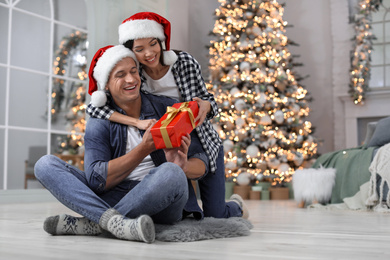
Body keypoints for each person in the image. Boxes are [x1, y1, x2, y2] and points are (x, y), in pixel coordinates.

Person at [34, 45, 211, 244]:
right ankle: (115, 222)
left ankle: (94, 222)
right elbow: (96, 180)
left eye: (134, 71)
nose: (130, 79)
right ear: (106, 85)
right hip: (114, 195)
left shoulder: (165, 107)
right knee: (45, 165)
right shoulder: (100, 121)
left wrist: (183, 166)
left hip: (162, 198)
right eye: (120, 75)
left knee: (171, 172)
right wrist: (143, 148)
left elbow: (202, 161)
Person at [87, 12, 248, 219]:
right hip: (170, 141)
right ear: (131, 52)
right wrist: (137, 122)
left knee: (216, 214)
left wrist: (207, 105)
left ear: (161, 41)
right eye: (139, 49)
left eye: (153, 44)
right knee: (179, 192)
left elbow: (208, 99)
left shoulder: (183, 63)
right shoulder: (136, 75)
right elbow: (96, 108)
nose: (148, 53)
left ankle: (236, 206)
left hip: (201, 139)